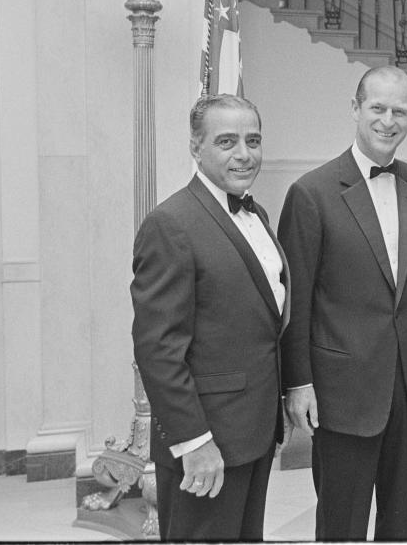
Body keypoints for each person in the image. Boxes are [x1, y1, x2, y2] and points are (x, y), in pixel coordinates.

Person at [277, 65, 407, 540]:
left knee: (401, 521)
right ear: (355, 109)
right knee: (342, 524)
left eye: (400, 111)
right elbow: (297, 300)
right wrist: (299, 383)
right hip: (340, 392)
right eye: (378, 108)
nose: (388, 121)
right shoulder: (311, 193)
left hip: (406, 391)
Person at [131, 94, 289, 541]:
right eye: (227, 141)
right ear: (196, 148)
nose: (244, 153)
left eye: (253, 140)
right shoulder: (172, 223)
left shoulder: (256, 213)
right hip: (207, 442)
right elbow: (158, 348)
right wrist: (194, 442)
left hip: (252, 433)